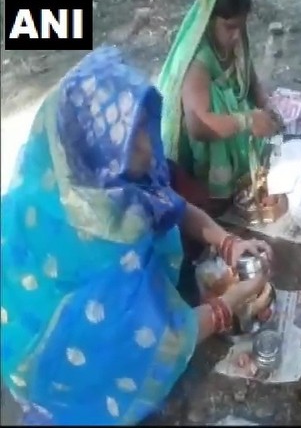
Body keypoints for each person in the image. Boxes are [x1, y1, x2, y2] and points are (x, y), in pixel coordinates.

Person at [0, 46, 274, 425]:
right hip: (61, 361)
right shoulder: (102, 246)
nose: (149, 144)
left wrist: (227, 242)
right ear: (94, 152)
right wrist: (227, 306)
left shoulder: (101, 174)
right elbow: (160, 341)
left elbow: (169, 204)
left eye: (146, 124)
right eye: (134, 141)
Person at [158, 0, 278, 220]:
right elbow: (198, 125)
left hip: (231, 130)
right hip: (201, 151)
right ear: (209, 20)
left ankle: (241, 179)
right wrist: (247, 120)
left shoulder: (236, 39)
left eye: (240, 26)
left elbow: (249, 78)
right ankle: (217, 197)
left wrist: (266, 104)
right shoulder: (198, 59)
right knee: (216, 100)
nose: (236, 35)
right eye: (229, 27)